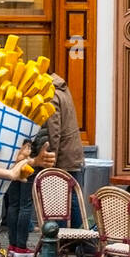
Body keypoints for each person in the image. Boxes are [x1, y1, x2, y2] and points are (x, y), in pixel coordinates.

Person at [44, 72, 85, 226]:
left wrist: (51, 159)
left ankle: (62, 239)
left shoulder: (51, 94)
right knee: (74, 196)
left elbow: (54, 131)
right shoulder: (62, 88)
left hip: (63, 155)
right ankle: (80, 238)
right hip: (73, 150)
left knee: (60, 200)